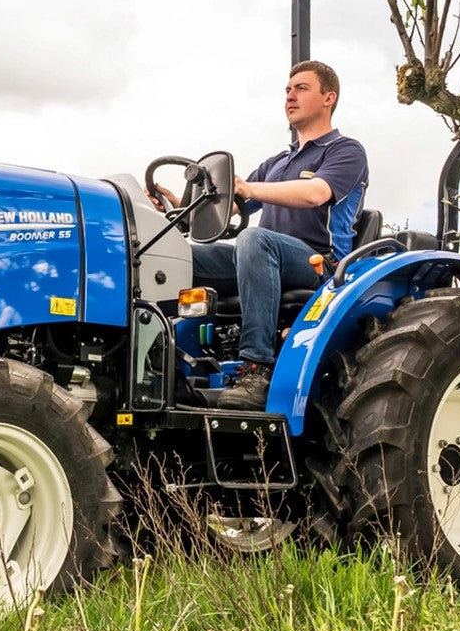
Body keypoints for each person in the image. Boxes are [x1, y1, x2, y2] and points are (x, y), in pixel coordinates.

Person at [150, 60, 368, 410]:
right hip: (260, 260)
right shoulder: (276, 163)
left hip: (318, 265)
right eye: (287, 89)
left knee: (252, 240)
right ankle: (160, 360)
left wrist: (250, 188)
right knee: (175, 254)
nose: (290, 96)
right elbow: (233, 208)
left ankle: (257, 369)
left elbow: (316, 194)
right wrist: (177, 206)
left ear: (329, 98)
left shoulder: (345, 151)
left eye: (301, 88)